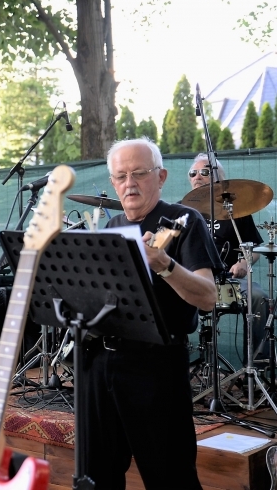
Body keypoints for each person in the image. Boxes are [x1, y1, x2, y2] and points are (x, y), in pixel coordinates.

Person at [84, 138, 221, 489]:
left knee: (170, 476)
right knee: (96, 475)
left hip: (156, 365)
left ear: (160, 177)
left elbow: (208, 297)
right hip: (102, 362)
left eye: (139, 173)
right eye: (121, 176)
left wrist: (166, 265)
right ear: (113, 183)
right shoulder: (111, 227)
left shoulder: (184, 220)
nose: (129, 183)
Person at [188, 153, 269, 359]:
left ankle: (257, 365)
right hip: (190, 279)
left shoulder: (236, 209)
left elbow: (255, 247)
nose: (197, 177)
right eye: (193, 173)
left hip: (228, 280)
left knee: (258, 298)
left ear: (219, 179)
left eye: (204, 172)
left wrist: (243, 262)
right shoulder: (182, 211)